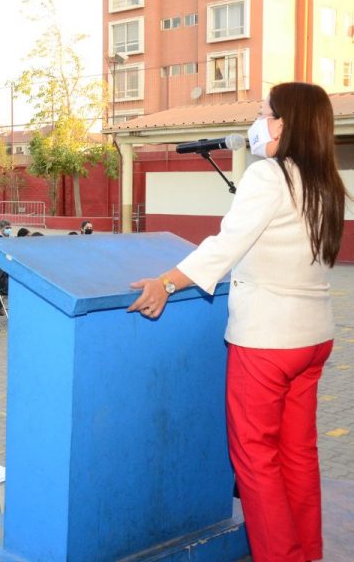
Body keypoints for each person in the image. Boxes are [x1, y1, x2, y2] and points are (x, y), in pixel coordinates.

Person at [127, 83, 345, 562]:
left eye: (265, 112)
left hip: (268, 340)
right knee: (298, 455)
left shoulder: (270, 177)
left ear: (286, 123)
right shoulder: (326, 183)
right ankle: (306, 552)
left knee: (256, 460)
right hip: (312, 339)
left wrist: (166, 281)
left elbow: (227, 244)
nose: (258, 121)